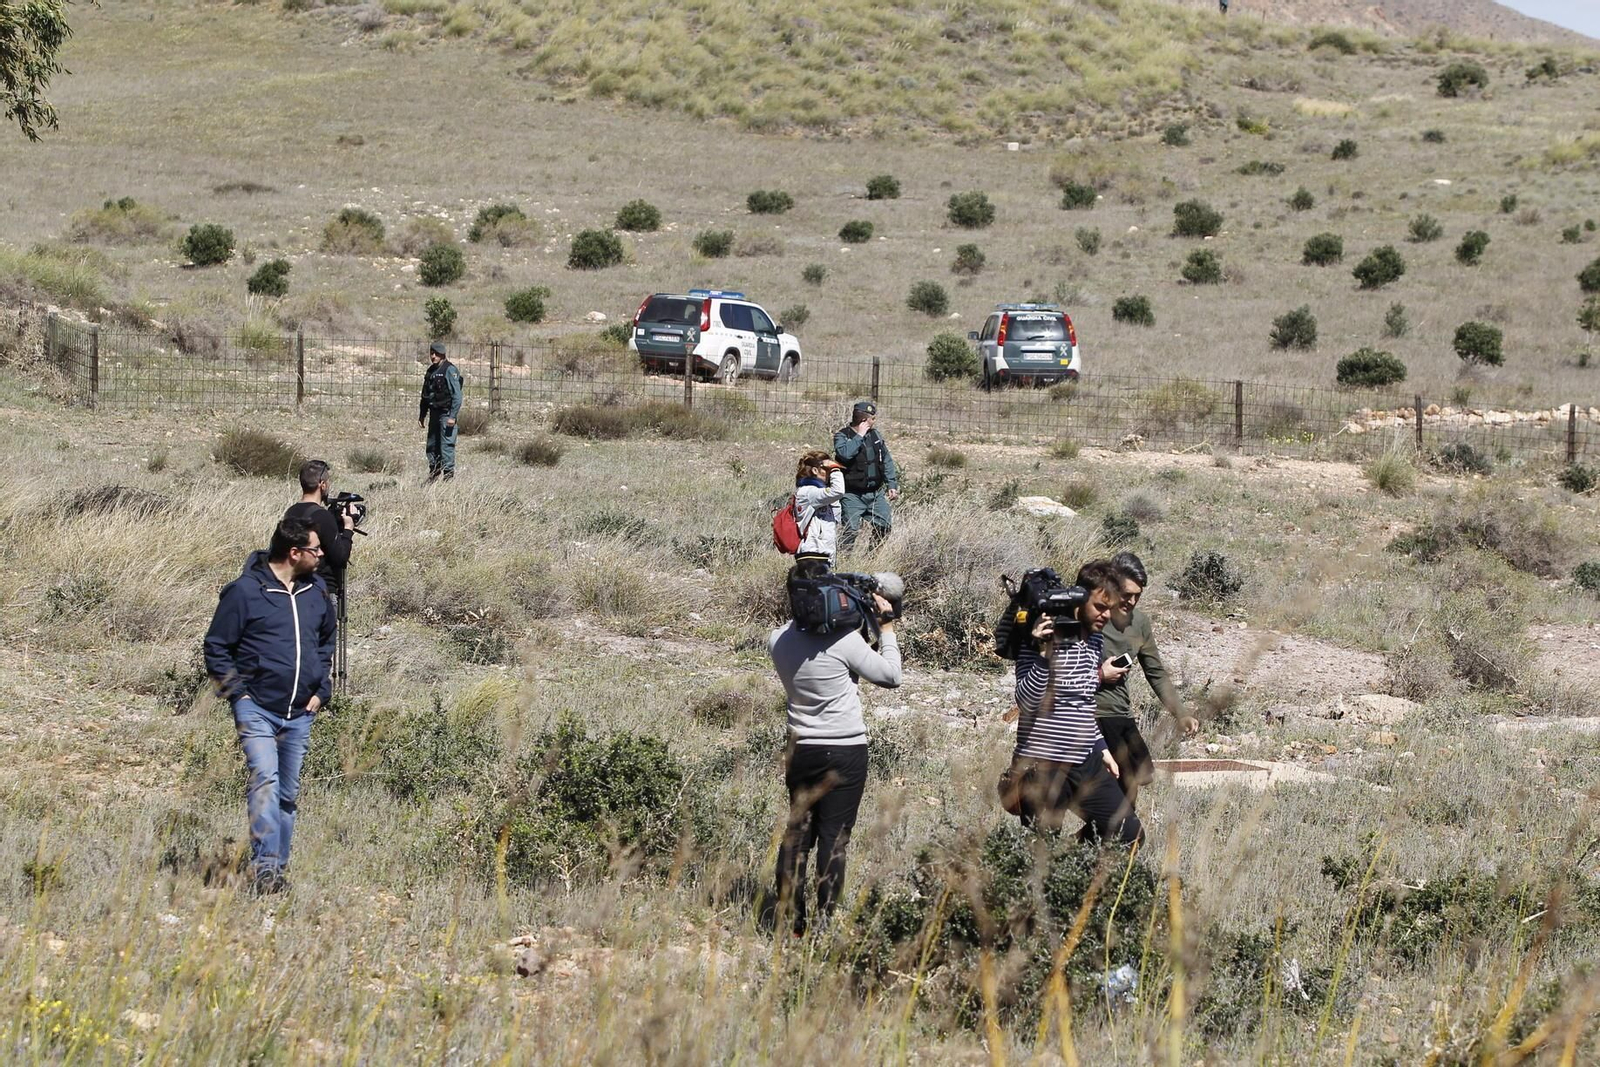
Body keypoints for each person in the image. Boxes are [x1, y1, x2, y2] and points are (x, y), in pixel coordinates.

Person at [203, 516, 337, 895]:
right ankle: (264, 869)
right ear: (294, 553)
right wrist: (238, 694)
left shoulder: (316, 591)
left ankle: (276, 871)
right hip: (256, 708)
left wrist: (322, 689)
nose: (322, 554)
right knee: (265, 780)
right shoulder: (245, 592)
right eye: (315, 549)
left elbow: (326, 641)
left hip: (301, 711)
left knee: (287, 796)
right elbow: (216, 646)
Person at [769, 570, 904, 935]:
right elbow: (891, 676)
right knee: (834, 838)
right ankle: (825, 922)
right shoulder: (845, 642)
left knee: (798, 834)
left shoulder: (777, 639)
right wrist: (886, 629)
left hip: (800, 748)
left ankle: (791, 921)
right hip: (844, 749)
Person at [1003, 559, 1141, 844]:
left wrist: (1101, 748)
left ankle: (1072, 860)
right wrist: (1044, 656)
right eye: (1099, 607)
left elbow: (1082, 702)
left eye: (1111, 608)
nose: (1106, 615)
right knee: (1042, 850)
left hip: (1083, 760)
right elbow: (1027, 700)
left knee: (1128, 834)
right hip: (1042, 763)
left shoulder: (1095, 640)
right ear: (1079, 599)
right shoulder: (1039, 636)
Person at [1097, 551, 1199, 812]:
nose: (1131, 601)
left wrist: (1181, 713)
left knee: (1139, 778)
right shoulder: (1091, 615)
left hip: (1121, 714)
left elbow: (1155, 671)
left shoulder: (1140, 623)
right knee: (1117, 794)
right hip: (1092, 715)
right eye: (1126, 594)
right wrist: (1100, 675)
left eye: (1137, 596)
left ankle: (1111, 833)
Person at [283, 460, 356, 597]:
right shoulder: (323, 516)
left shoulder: (291, 512)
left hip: (297, 587)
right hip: (322, 589)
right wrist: (348, 528)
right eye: (327, 482)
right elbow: (340, 558)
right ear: (322, 485)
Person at [833, 400, 899, 550]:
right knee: (850, 530)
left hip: (875, 494)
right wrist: (859, 436)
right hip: (852, 494)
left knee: (885, 525)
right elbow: (845, 454)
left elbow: (886, 459)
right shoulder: (842, 436)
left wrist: (891, 484)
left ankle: (872, 556)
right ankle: (844, 559)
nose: (874, 421)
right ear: (864, 420)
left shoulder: (875, 435)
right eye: (872, 418)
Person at [793, 450, 845, 574]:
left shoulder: (819, 493)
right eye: (827, 470)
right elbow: (838, 491)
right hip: (812, 553)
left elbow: (836, 518)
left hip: (824, 554)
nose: (830, 473)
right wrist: (835, 469)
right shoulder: (808, 492)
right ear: (815, 470)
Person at [419, 341, 463, 481]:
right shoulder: (431, 371)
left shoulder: (449, 370)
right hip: (434, 413)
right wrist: (422, 415)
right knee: (432, 445)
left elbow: (457, 396)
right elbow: (425, 395)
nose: (433, 356)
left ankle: (448, 476)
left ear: (442, 354)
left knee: (447, 446)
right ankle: (434, 473)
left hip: (446, 414)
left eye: (436, 354)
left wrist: (452, 416)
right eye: (431, 353)